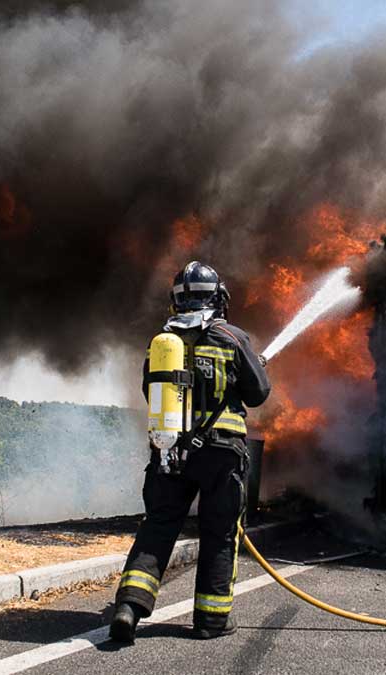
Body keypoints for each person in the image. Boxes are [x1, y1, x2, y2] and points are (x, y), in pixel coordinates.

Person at [109, 261, 271, 642]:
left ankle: (129, 608)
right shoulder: (232, 338)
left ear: (176, 301)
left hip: (170, 454)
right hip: (222, 456)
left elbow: (153, 393)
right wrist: (252, 367)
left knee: (159, 526)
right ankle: (211, 620)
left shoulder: (163, 343)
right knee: (219, 533)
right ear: (219, 297)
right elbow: (258, 394)